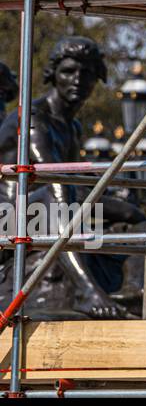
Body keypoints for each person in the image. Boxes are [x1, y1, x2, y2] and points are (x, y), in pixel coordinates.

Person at [0, 36, 137, 319]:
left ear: (97, 78)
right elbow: (56, 180)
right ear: (53, 75)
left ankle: (134, 288)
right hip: (8, 219)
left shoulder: (71, 125)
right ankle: (86, 291)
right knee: (58, 194)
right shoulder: (33, 119)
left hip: (37, 213)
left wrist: (118, 208)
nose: (77, 80)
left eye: (86, 73)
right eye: (69, 71)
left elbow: (76, 185)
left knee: (131, 213)